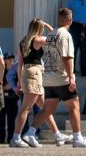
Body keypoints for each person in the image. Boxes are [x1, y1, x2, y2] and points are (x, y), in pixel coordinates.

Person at [28, 8, 86, 148]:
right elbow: (67, 58)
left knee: (47, 109)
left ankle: (30, 133)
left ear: (59, 19)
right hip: (61, 77)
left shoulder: (51, 34)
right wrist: (71, 78)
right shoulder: (66, 35)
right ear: (70, 20)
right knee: (74, 106)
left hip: (48, 77)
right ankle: (77, 137)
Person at [12, 18, 72, 148]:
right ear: (39, 29)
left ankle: (57, 135)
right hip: (34, 73)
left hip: (28, 72)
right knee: (26, 108)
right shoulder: (38, 40)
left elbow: (20, 63)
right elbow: (56, 40)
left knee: (45, 108)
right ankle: (16, 137)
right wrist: (50, 27)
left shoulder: (23, 41)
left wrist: (19, 81)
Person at [65, 0, 86, 75]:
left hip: (85, 26)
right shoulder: (71, 1)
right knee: (74, 48)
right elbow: (67, 13)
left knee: (84, 48)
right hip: (75, 26)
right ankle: (71, 70)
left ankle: (84, 71)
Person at [0, 54, 18, 144]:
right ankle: (1, 139)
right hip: (2, 99)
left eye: (12, 57)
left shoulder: (16, 71)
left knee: (11, 121)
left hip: (12, 99)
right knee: (1, 121)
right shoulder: (1, 72)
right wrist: (4, 87)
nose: (11, 60)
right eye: (9, 58)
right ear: (4, 60)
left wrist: (11, 86)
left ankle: (10, 139)